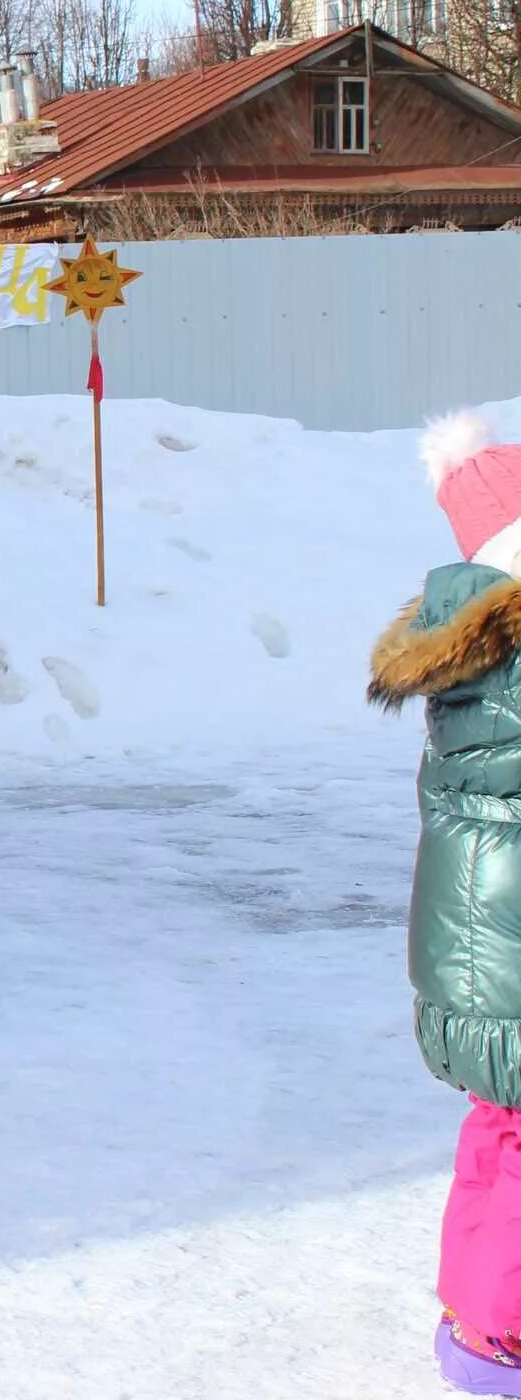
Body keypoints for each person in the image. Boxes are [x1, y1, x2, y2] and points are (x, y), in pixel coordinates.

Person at [369, 411, 521, 1395]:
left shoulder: (477, 660)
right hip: (507, 959)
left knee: (499, 1134)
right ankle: (498, 1334)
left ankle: (478, 1320)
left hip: (478, 962)